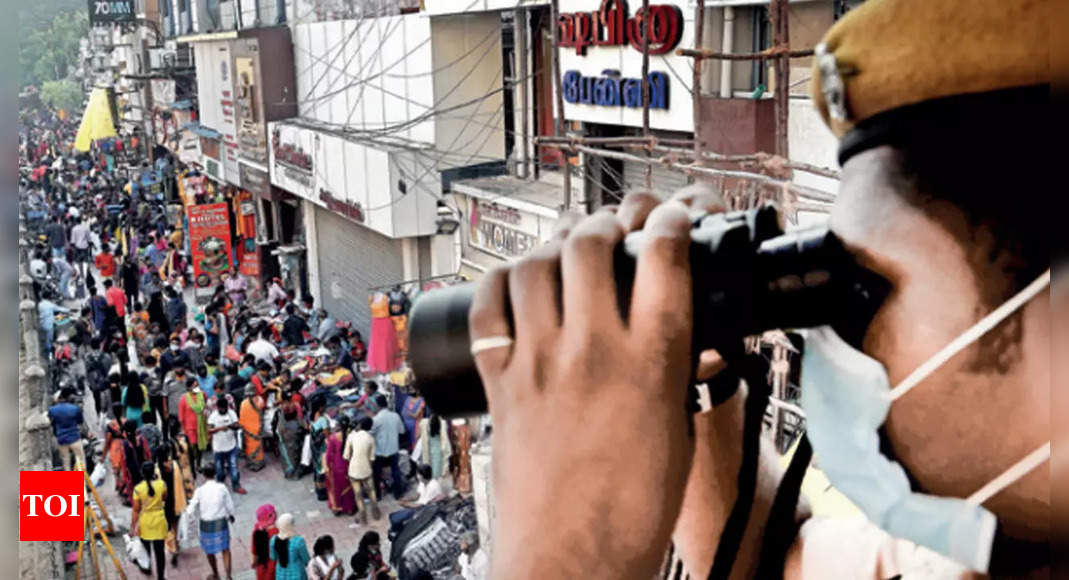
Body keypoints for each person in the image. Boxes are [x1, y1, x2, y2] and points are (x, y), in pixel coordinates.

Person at [469, 3, 1051, 578]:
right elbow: (776, 559)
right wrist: (701, 376)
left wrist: (564, 560)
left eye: (855, 290)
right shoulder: (977, 551)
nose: (835, 348)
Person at [186, 464, 235, 580]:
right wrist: (231, 515)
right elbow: (229, 505)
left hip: (206, 524)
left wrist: (188, 516)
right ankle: (228, 576)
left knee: (209, 551)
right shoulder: (221, 488)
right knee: (225, 549)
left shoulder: (199, 491)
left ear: (203, 475)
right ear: (215, 473)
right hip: (221, 521)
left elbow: (191, 508)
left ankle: (216, 574)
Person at [131, 461, 168, 580]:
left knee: (146, 551)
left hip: (145, 522)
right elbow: (164, 497)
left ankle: (148, 569)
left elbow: (136, 510)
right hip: (159, 521)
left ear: (142, 473)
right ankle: (161, 577)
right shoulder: (162, 484)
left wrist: (132, 527)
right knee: (160, 553)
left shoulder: (138, 489)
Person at [156, 442, 188, 569]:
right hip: (175, 500)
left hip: (165, 502)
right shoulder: (174, 465)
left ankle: (172, 546)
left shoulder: (157, 469)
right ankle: (175, 544)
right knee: (174, 523)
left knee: (167, 525)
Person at [343, 417, 379, 524]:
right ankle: (375, 512)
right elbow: (372, 458)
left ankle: (363, 516)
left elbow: (346, 455)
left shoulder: (351, 436)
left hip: (353, 470)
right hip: (366, 469)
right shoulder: (371, 438)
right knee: (371, 491)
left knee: (358, 495)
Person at [207, 397, 246, 494]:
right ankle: (220, 486)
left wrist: (232, 426)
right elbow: (209, 430)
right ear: (218, 407)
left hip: (231, 446)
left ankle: (236, 485)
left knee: (233, 467)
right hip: (218, 448)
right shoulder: (213, 416)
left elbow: (237, 425)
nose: (224, 410)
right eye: (222, 409)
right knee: (219, 470)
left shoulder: (231, 413)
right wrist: (221, 428)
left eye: (225, 408)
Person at [370, 394, 405, 500]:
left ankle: (377, 495)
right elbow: (402, 431)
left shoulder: (376, 419)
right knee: (395, 471)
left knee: (376, 473)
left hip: (380, 451)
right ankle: (398, 494)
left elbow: (370, 434)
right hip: (393, 449)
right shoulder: (395, 416)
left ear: (377, 406)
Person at [389, 465, 441, 531]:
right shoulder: (423, 482)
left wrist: (405, 504)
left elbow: (420, 505)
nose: (417, 475)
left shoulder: (433, 486)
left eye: (418, 474)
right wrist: (405, 499)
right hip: (419, 506)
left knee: (395, 519)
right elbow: (417, 495)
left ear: (422, 475)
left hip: (424, 510)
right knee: (392, 516)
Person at [48, 387, 86, 471]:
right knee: (81, 460)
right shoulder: (75, 408)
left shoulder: (52, 410)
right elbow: (80, 421)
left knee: (66, 463)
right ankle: (82, 481)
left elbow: (51, 422)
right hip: (74, 438)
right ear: (68, 397)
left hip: (61, 439)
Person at [324, 417, 356, 516]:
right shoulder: (352, 437)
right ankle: (349, 508)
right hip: (349, 465)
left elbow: (328, 455)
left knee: (336, 488)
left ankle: (337, 508)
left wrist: (328, 466)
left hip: (337, 466)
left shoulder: (333, 438)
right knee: (349, 488)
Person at [177, 377, 208, 473]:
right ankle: (192, 465)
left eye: (197, 385)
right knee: (192, 447)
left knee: (200, 448)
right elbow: (181, 417)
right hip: (189, 428)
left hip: (201, 426)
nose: (197, 387)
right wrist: (183, 430)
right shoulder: (183, 399)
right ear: (189, 387)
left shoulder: (202, 395)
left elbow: (206, 406)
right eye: (195, 386)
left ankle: (198, 464)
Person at [271, 513, 310, 580]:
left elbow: (273, 557)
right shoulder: (298, 541)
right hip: (297, 575)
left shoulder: (273, 540)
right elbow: (306, 559)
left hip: (281, 575)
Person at [276, 392, 305, 480]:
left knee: (286, 453)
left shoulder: (280, 408)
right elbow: (300, 420)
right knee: (296, 452)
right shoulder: (295, 405)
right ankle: (296, 474)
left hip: (284, 431)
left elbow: (279, 424)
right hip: (294, 430)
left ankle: (288, 472)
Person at [414, 414, 451, 481]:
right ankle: (435, 484)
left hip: (428, 450)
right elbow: (445, 438)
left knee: (428, 468)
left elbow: (417, 436)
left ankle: (431, 485)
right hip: (438, 451)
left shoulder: (424, 423)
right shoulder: (443, 423)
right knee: (436, 471)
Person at [239, 384, 267, 471]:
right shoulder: (260, 400)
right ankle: (258, 463)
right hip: (258, 430)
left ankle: (251, 463)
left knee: (249, 447)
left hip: (248, 431)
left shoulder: (243, 403)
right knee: (258, 447)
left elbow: (241, 418)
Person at [252, 504, 279, 580]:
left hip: (261, 567)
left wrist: (254, 564)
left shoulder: (256, 530)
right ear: (270, 515)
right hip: (274, 566)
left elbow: (254, 551)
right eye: (274, 512)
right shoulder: (276, 531)